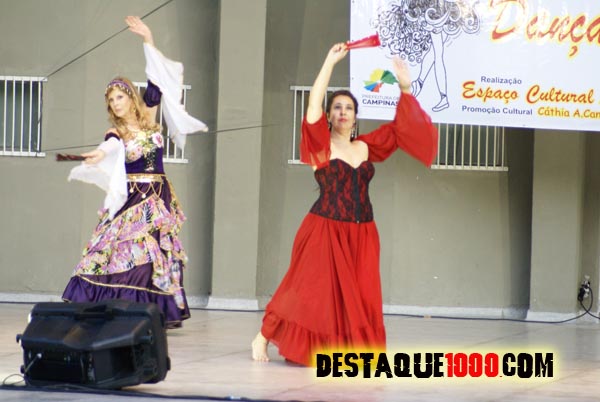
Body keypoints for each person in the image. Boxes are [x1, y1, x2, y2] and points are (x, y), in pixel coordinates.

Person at [251, 43, 438, 365]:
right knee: (304, 288)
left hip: (363, 233)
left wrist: (406, 88)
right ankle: (263, 336)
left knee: (361, 295)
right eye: (336, 107)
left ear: (355, 117)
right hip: (324, 228)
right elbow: (313, 104)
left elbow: (403, 128)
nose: (342, 112)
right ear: (329, 115)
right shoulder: (320, 146)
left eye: (348, 108)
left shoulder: (365, 146)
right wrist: (330, 61)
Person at [62, 16, 207, 329]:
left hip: (159, 196)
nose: (116, 104)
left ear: (130, 96)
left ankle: (153, 311)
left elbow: (157, 82)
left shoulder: (150, 119)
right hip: (134, 198)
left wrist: (148, 39)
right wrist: (99, 154)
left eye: (120, 97)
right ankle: (122, 308)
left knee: (157, 254)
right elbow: (110, 146)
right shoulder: (117, 132)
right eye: (111, 101)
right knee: (126, 250)